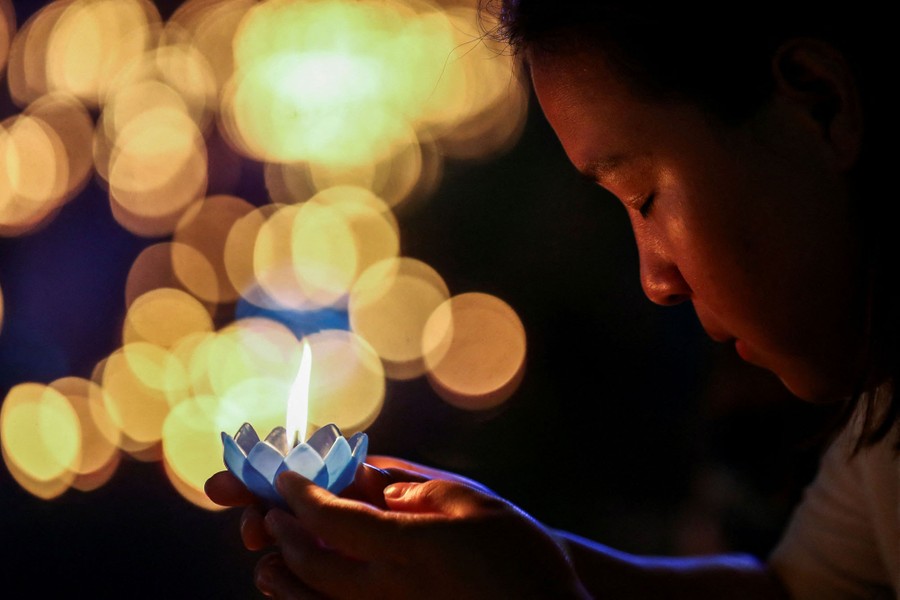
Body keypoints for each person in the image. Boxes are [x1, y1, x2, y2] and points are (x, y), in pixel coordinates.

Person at [206, 2, 898, 598]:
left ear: (821, 105)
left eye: (646, 198)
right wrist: (520, 562)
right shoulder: (880, 420)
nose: (656, 280)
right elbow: (801, 592)